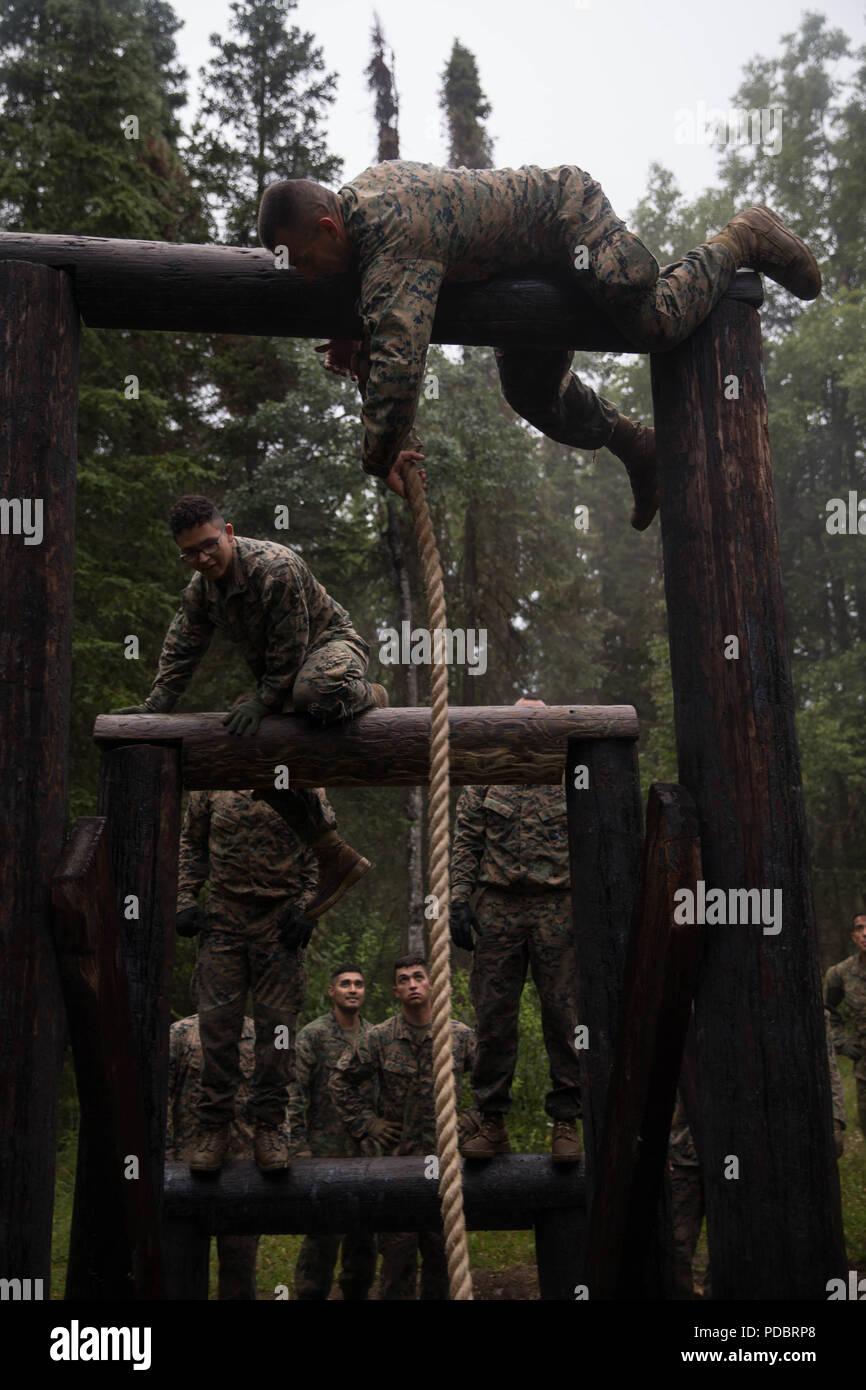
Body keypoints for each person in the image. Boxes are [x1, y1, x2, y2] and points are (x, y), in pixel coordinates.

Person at [257, 162, 821, 527]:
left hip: (565, 215)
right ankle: (639, 446)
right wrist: (354, 323)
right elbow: (376, 287)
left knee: (656, 322)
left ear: (329, 229)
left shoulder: (392, 229)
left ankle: (743, 235)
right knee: (530, 391)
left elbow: (400, 366)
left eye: (305, 261)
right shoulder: (358, 206)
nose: (309, 277)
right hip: (518, 264)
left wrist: (379, 460)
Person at [113, 494, 388, 917]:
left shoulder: (274, 568)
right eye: (190, 553)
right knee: (253, 754)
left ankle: (368, 695)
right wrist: (156, 704)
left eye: (209, 545)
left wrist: (264, 700)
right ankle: (332, 853)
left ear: (228, 533)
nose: (203, 558)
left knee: (312, 696)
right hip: (285, 677)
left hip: (331, 648)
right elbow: (183, 646)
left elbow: (292, 644)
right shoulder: (201, 592)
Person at [450, 696, 581, 1162]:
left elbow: (596, 838)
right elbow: (466, 838)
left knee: (565, 1018)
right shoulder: (487, 772)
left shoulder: (568, 773)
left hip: (556, 908)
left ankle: (568, 1119)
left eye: (532, 721)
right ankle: (491, 1120)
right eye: (516, 720)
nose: (524, 728)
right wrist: (459, 899)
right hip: (498, 907)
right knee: (493, 1019)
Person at [175, 779, 324, 1171]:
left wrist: (309, 907)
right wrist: (186, 897)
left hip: (279, 923)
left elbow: (324, 851)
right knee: (217, 1027)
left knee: (277, 1031)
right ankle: (214, 1126)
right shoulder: (215, 781)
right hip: (224, 917)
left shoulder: (304, 779)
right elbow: (191, 842)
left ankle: (270, 1126)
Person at [329, 954, 476, 1300]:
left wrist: (472, 1120)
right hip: (397, 1169)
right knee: (396, 1268)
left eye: (418, 977)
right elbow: (340, 1080)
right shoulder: (380, 1039)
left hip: (445, 1169)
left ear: (431, 983)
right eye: (404, 980)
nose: (412, 984)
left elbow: (494, 1082)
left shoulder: (458, 1036)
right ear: (396, 990)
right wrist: (368, 1123)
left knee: (443, 1265)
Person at [167, 1008, 275, 1298]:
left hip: (243, 1168)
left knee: (239, 1267)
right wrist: (165, 1159)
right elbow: (163, 1096)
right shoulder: (180, 1033)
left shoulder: (260, 1036)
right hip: (188, 1168)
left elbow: (273, 1096)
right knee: (184, 1263)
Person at [287, 964, 377, 1300]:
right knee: (321, 1242)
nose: (353, 989)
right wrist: (298, 1148)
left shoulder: (375, 1036)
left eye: (358, 984)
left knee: (364, 1244)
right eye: (345, 984)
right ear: (332, 992)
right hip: (324, 1154)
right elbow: (294, 1092)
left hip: (368, 1156)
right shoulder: (313, 1035)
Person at [825, 911, 866, 1139]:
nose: (865, 933)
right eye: (859, 928)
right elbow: (827, 1013)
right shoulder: (841, 973)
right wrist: (843, 1042)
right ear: (853, 936)